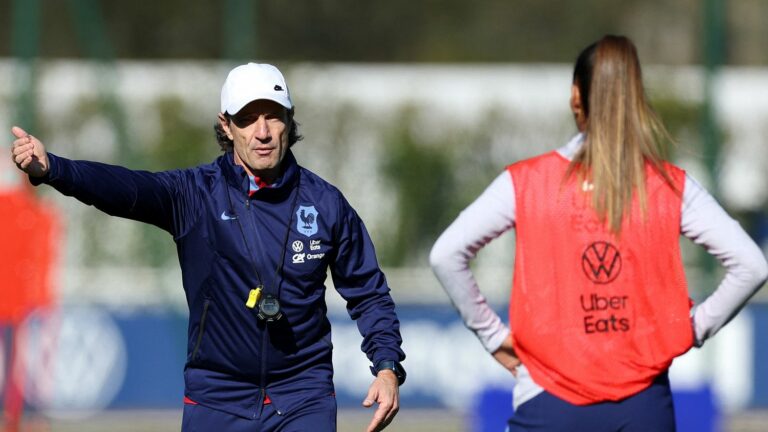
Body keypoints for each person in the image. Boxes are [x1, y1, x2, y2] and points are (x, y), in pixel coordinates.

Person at [11, 62, 406, 432]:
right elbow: (127, 188)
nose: (263, 132)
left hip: (303, 397)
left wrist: (387, 367)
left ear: (289, 119)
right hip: (216, 398)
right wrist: (55, 169)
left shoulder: (326, 203)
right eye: (248, 119)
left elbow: (368, 292)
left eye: (273, 116)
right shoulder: (195, 194)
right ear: (227, 126)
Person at [430, 35, 768, 431]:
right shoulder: (667, 184)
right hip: (645, 404)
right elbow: (751, 265)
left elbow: (446, 254)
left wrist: (490, 334)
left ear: (577, 97)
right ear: (636, 100)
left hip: (548, 400)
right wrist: (692, 328)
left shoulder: (528, 182)